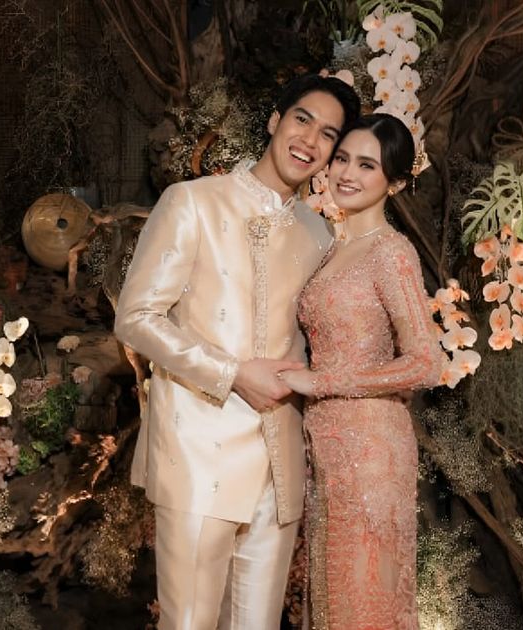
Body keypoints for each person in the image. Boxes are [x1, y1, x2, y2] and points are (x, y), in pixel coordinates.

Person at [113, 75, 360, 630]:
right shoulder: (193, 202)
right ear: (274, 120)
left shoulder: (320, 235)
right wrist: (232, 373)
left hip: (280, 460)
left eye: (328, 134)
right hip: (199, 449)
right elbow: (136, 317)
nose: (310, 140)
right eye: (301, 119)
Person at [278, 113, 445, 629]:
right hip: (328, 444)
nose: (347, 173)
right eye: (343, 159)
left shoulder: (391, 253)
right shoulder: (333, 246)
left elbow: (427, 362)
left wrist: (320, 382)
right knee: (332, 600)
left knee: (363, 602)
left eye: (367, 165)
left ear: (395, 183)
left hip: (372, 450)